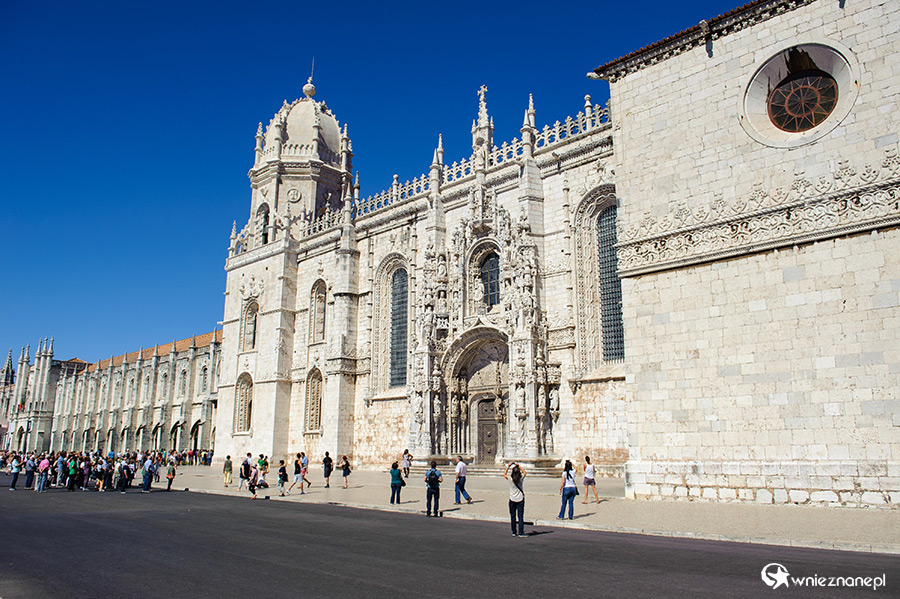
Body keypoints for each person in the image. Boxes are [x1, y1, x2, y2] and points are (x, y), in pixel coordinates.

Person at [504, 461, 527, 537]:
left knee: (513, 516)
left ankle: (514, 532)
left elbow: (504, 474)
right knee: (520, 517)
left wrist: (508, 466)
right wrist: (519, 466)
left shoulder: (510, 479)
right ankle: (521, 532)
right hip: (520, 499)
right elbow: (525, 473)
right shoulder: (520, 479)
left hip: (512, 499)